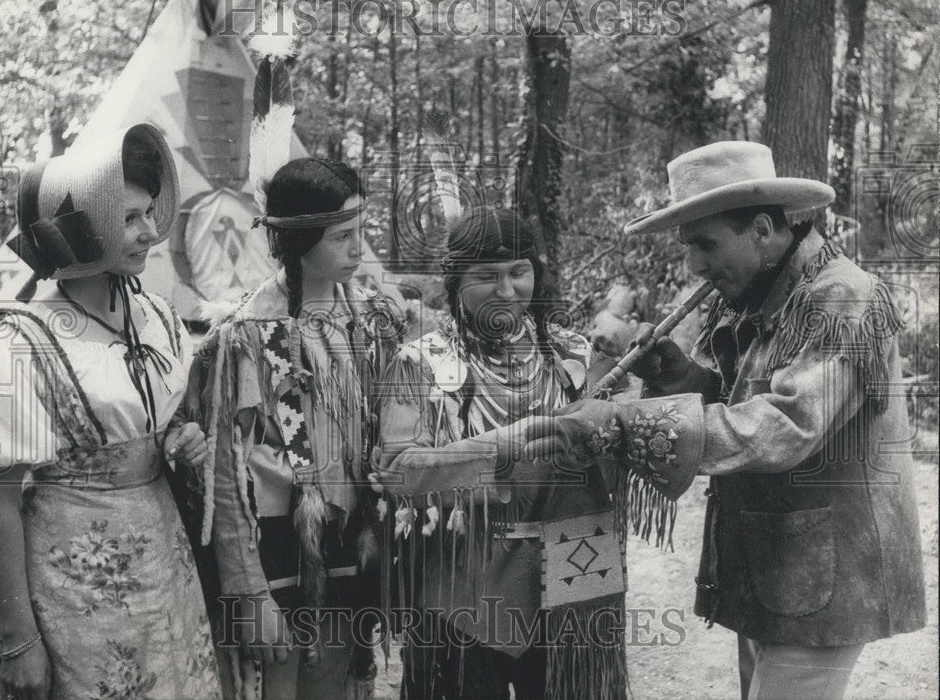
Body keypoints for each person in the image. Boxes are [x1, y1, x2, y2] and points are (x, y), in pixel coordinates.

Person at [522, 141, 927, 700]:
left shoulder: (842, 300)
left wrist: (623, 423)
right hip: (776, 568)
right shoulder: (754, 292)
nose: (695, 266)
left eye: (706, 245)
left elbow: (787, 426)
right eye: (690, 247)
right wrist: (680, 376)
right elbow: (737, 399)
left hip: (830, 580)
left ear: (761, 229)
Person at [0, 124, 221, 699]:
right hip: (68, 588)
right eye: (129, 220)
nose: (150, 233)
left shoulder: (157, 318)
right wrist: (20, 640)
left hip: (163, 573)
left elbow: (157, 421)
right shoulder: (19, 345)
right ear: (85, 232)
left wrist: (180, 438)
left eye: (148, 213)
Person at [374, 207, 667, 700]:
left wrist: (648, 388)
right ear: (455, 281)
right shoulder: (418, 361)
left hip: (575, 575)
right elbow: (401, 471)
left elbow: (623, 438)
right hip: (463, 586)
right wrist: (505, 442)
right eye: (487, 276)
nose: (507, 291)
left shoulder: (573, 354)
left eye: (519, 272)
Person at [184, 158, 406, 700]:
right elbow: (225, 473)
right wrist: (248, 590)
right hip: (277, 552)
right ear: (300, 237)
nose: (358, 248)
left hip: (353, 540)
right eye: (342, 236)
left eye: (361, 231)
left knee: (335, 681)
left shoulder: (372, 324)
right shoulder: (246, 336)